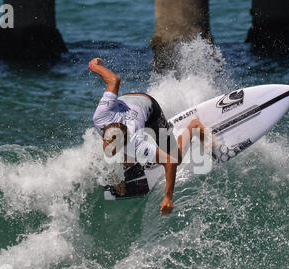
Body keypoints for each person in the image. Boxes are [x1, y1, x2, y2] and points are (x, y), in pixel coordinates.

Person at [89, 57, 208, 215]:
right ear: (105, 134)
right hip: (126, 102)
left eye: (114, 149)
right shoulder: (100, 117)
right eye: (108, 145)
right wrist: (94, 66)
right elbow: (114, 80)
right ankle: (138, 162)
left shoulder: (135, 143)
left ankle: (193, 126)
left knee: (176, 158)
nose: (109, 151)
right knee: (126, 159)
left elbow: (170, 163)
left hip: (149, 107)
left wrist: (168, 198)